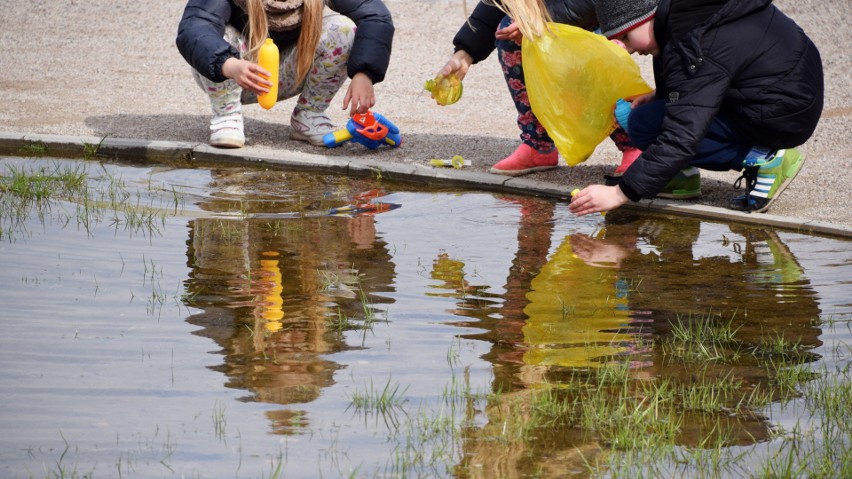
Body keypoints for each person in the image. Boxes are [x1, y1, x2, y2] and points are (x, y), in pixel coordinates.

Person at [569, 0, 824, 216]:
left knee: (666, 130)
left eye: (626, 36)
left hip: (782, 113)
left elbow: (681, 138)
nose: (631, 49)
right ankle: (679, 178)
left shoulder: (694, 42)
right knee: (644, 121)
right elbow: (721, 70)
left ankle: (765, 159)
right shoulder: (684, 16)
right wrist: (662, 94)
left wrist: (621, 193)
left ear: (645, 15)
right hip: (783, 90)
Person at [438, 0, 642, 179]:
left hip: (606, 17)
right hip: (553, 16)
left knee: (582, 62)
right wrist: (464, 54)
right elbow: (495, 8)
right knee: (510, 31)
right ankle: (538, 144)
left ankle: (633, 142)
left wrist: (542, 21)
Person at [176, 0, 394, 149]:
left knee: (343, 29)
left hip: (291, 74)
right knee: (219, 35)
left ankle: (310, 114)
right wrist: (229, 64)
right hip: (236, 75)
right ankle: (226, 115)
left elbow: (375, 16)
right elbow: (195, 26)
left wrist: (365, 73)